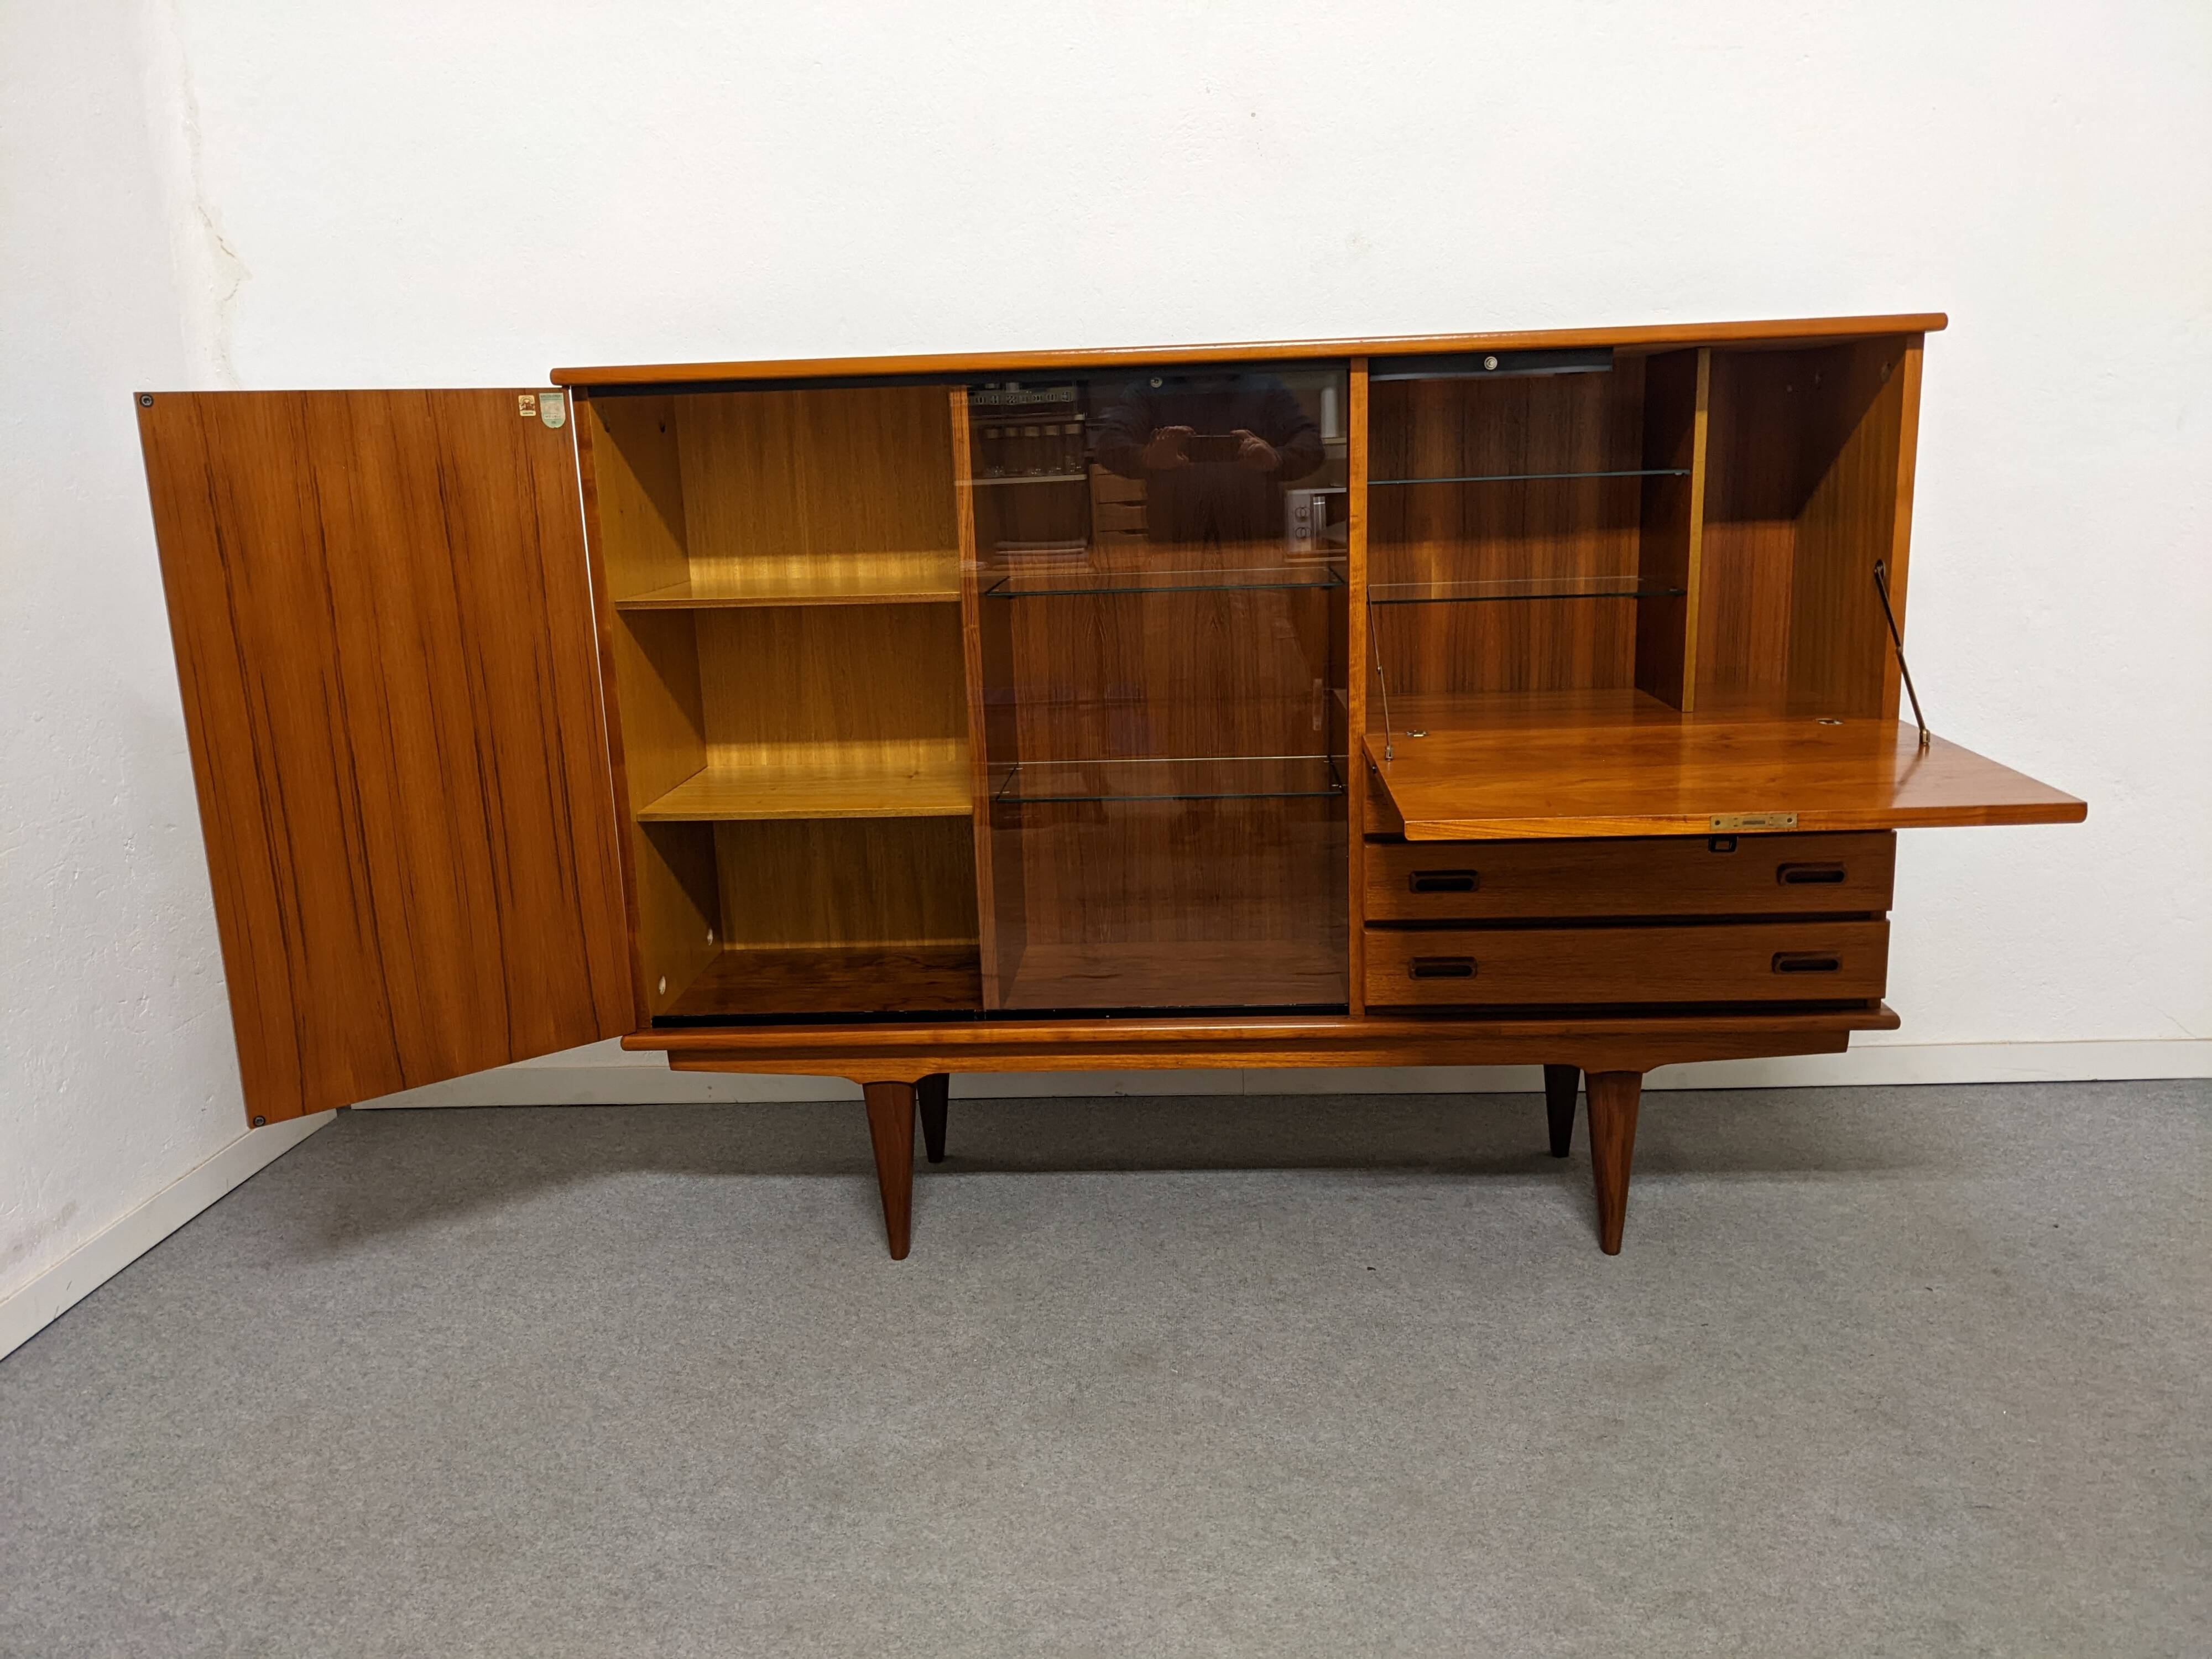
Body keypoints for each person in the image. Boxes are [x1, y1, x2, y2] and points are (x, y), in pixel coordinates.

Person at [1091, 371, 1324, 551]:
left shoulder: (1264, 388)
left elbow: (1312, 445)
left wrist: (1277, 460)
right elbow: (1109, 444)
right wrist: (1147, 459)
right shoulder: (1150, 389)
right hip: (1176, 547)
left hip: (1256, 544)